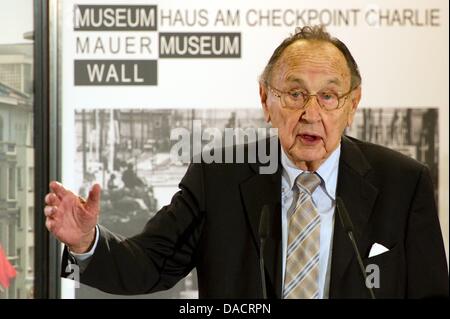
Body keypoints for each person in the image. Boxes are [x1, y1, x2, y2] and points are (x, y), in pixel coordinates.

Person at [44, 26, 448, 298]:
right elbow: (151, 263)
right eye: (294, 93)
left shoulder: (403, 182)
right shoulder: (218, 176)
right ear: (265, 100)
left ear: (352, 104)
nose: (311, 112)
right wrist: (85, 243)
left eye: (328, 96)